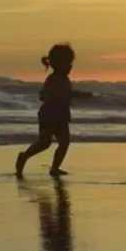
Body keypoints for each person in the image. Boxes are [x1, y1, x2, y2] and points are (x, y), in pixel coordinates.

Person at [16, 43, 75, 177]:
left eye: (71, 63)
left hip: (61, 115)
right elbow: (43, 95)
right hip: (49, 115)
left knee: (64, 142)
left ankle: (55, 168)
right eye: (68, 63)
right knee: (44, 143)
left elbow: (68, 93)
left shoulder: (64, 79)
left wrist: (78, 95)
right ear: (58, 64)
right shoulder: (53, 78)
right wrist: (57, 95)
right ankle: (24, 156)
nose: (70, 67)